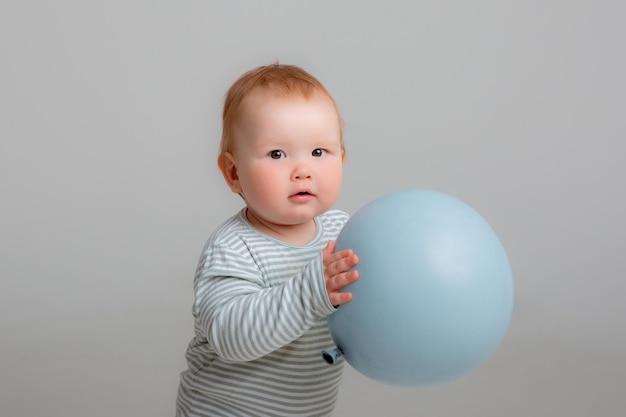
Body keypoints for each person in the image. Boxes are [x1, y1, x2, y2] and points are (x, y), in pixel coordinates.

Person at [175, 63, 359, 417]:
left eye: (319, 152)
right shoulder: (233, 248)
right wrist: (311, 292)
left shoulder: (345, 231)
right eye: (277, 154)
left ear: (343, 158)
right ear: (233, 172)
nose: (302, 169)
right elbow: (230, 337)